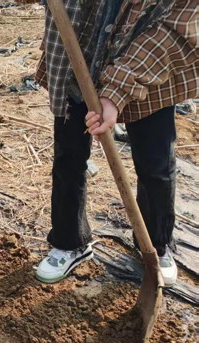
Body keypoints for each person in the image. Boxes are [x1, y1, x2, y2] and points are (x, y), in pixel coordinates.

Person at [34, 0, 198, 287]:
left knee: (155, 166)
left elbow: (176, 28)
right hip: (77, 56)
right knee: (68, 158)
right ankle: (70, 242)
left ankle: (156, 245)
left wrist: (115, 92)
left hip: (151, 71)